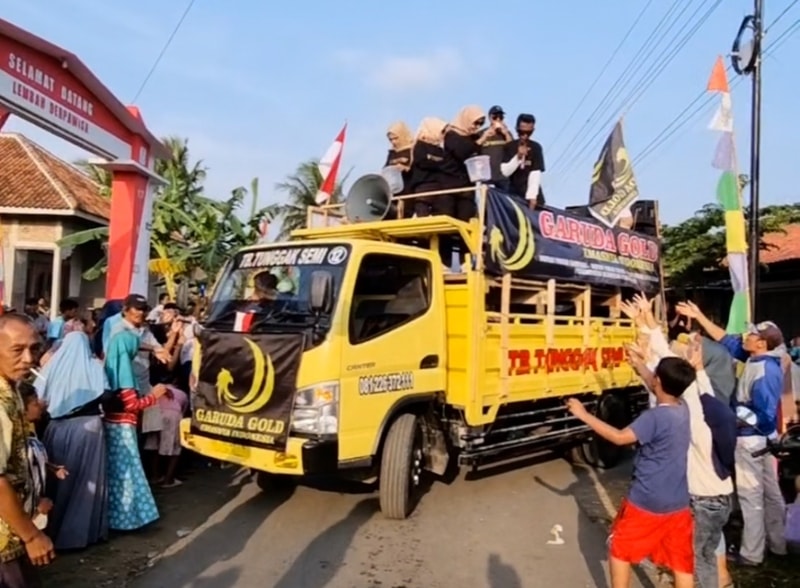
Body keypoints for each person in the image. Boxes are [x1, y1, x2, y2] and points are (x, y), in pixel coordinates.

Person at [624, 296, 736, 588]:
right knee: (707, 553)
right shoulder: (713, 407)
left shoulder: (693, 420)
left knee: (695, 561)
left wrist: (647, 327)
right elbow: (672, 377)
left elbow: (665, 371)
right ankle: (722, 580)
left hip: (701, 499)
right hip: (721, 496)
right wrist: (647, 328)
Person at [566, 352, 695, 588]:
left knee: (620, 551)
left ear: (659, 381)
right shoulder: (682, 408)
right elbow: (657, 385)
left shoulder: (654, 418)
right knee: (680, 560)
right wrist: (639, 365)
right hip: (678, 502)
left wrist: (583, 415)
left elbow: (619, 437)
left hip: (647, 500)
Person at [676, 301, 787, 565]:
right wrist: (699, 316)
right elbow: (725, 339)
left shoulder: (764, 371)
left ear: (761, 343)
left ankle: (752, 554)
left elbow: (764, 414)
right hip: (760, 440)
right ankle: (778, 545)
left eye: (751, 335)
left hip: (751, 439)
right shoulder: (757, 357)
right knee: (770, 494)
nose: (744, 337)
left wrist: (732, 420)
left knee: (751, 498)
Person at [33, 331, 108, 550]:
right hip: (88, 429)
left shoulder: (50, 367)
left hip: (56, 428)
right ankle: (79, 535)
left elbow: (37, 395)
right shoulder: (94, 366)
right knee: (86, 482)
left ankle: (51, 530)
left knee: (56, 482)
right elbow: (105, 393)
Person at [0, 314, 54, 586]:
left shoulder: (13, 393)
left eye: (34, 348)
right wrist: (32, 535)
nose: (29, 359)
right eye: (17, 350)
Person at [103, 328, 169, 531]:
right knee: (129, 472)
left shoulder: (109, 366)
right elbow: (131, 405)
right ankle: (130, 518)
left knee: (116, 473)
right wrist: (155, 395)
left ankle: (116, 517)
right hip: (124, 427)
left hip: (110, 425)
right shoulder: (125, 372)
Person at [17, 384, 68, 535]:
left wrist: (51, 467)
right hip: (23, 516)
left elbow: (32, 462)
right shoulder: (17, 442)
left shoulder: (30, 435)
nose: (41, 405)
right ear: (21, 409)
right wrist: (36, 506)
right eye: (34, 403)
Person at [500, 114, 546, 209]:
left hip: (533, 197)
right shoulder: (509, 147)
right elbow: (505, 172)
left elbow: (535, 173)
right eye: (522, 132)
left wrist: (532, 196)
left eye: (529, 132)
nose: (525, 135)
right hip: (514, 195)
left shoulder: (536, 147)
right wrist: (518, 157)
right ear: (517, 129)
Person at [408, 116, 447, 212]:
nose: (443, 135)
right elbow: (422, 161)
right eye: (442, 132)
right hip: (423, 186)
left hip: (440, 187)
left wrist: (434, 160)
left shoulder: (441, 149)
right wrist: (439, 163)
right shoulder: (420, 145)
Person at [481, 106, 513, 189]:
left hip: (502, 177)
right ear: (490, 118)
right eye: (495, 117)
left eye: (501, 117)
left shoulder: (506, 134)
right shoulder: (482, 133)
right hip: (486, 177)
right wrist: (485, 136)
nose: (498, 119)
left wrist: (506, 134)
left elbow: (512, 149)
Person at [385, 121, 414, 199]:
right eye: (391, 140)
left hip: (410, 190)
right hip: (395, 192)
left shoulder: (413, 149)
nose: (393, 142)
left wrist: (405, 168)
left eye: (396, 138)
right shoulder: (392, 153)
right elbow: (386, 168)